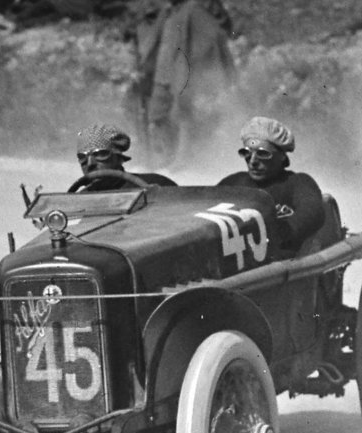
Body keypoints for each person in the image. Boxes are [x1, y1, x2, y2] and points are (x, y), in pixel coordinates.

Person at [125, 0, 235, 166]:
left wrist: (198, 66)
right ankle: (167, 156)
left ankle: (183, 158)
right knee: (156, 115)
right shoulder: (167, 12)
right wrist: (142, 67)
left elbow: (213, 35)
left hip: (183, 72)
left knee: (184, 115)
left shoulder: (194, 8)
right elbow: (150, 39)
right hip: (161, 74)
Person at [217, 117, 325, 253]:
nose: (253, 161)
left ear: (282, 156)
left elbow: (312, 212)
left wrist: (281, 233)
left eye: (262, 153)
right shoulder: (233, 182)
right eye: (246, 153)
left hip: (281, 257)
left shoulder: (298, 182)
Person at [75, 123, 177, 191]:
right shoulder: (79, 199)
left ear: (119, 158)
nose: (90, 164)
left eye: (100, 154)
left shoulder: (157, 184)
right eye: (82, 157)